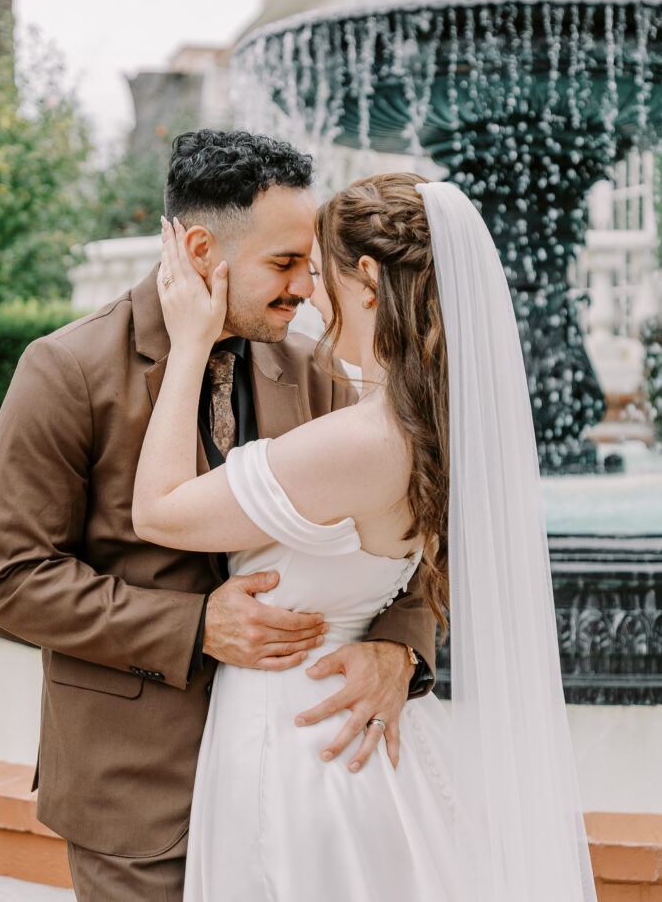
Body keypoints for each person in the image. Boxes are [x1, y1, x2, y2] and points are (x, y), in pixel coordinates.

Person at [0, 132, 437, 902]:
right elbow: (4, 578)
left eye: (310, 264)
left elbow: (400, 528)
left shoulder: (315, 367)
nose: (305, 288)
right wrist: (193, 628)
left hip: (301, 780)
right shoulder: (67, 370)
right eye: (284, 264)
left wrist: (400, 649)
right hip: (137, 794)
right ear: (200, 249)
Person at [133, 172, 598, 902]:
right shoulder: (438, 429)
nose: (311, 297)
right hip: (368, 737)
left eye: (318, 275)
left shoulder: (358, 441)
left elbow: (158, 511)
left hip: (299, 745)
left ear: (370, 280)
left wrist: (189, 345)